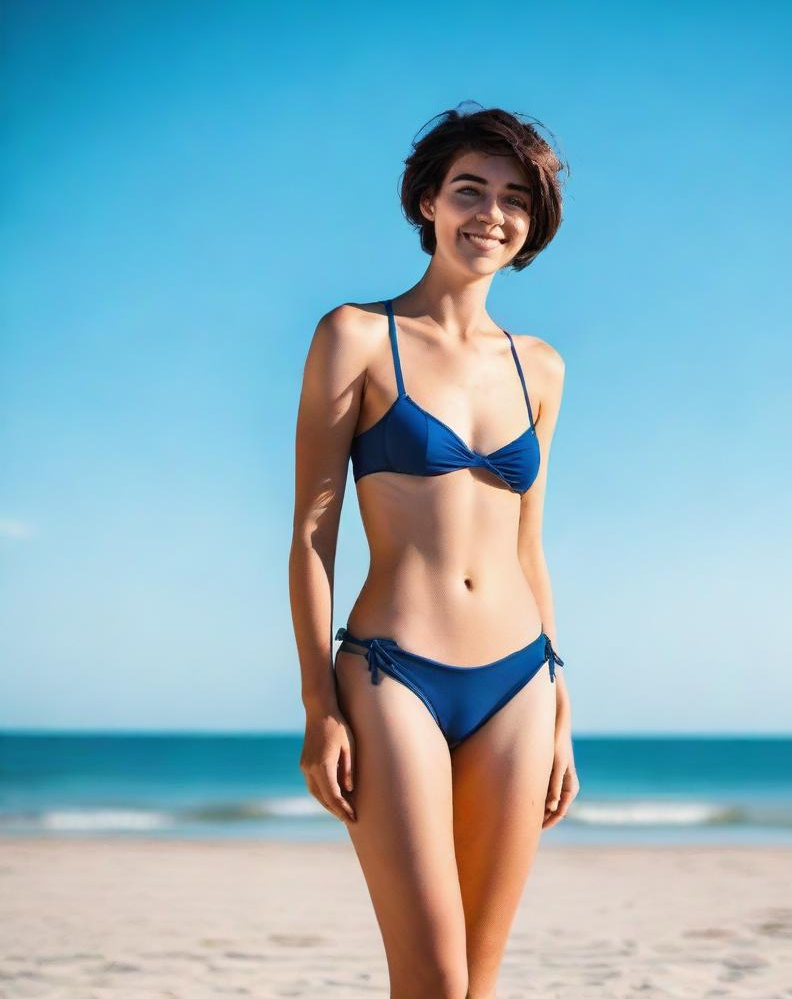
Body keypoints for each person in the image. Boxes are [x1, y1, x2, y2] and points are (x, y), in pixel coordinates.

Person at [289, 104, 579, 998]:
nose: (491, 213)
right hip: (391, 673)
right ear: (426, 201)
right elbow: (311, 531)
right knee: (432, 981)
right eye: (469, 191)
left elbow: (530, 540)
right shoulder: (356, 335)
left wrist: (562, 699)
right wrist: (317, 705)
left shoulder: (542, 366)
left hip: (520, 681)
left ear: (532, 222)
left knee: (479, 985)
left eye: (514, 198)